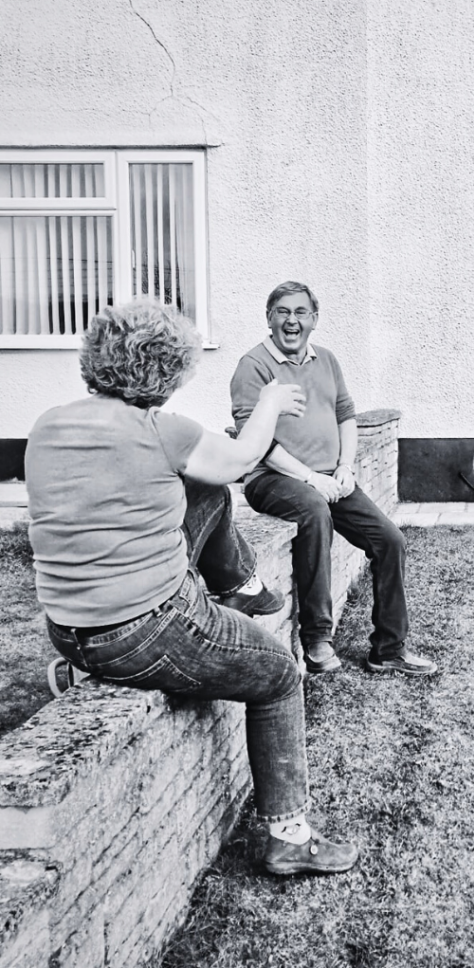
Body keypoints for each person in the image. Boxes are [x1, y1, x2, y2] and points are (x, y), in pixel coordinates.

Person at [25, 302, 358, 877]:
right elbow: (241, 457)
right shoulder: (161, 431)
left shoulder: (49, 423)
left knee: (206, 497)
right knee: (279, 674)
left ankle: (243, 585)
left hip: (68, 627)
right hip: (144, 629)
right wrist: (273, 402)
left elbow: (196, 486)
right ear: (165, 369)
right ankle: (289, 835)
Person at [230, 282, 437, 677]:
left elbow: (346, 415)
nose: (292, 320)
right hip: (271, 478)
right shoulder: (253, 365)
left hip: (331, 476)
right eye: (283, 312)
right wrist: (310, 478)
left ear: (314, 320)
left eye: (301, 312)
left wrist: (345, 467)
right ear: (269, 317)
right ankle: (317, 639)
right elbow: (252, 438)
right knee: (314, 512)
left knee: (390, 540)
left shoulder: (326, 359)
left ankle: (389, 650)